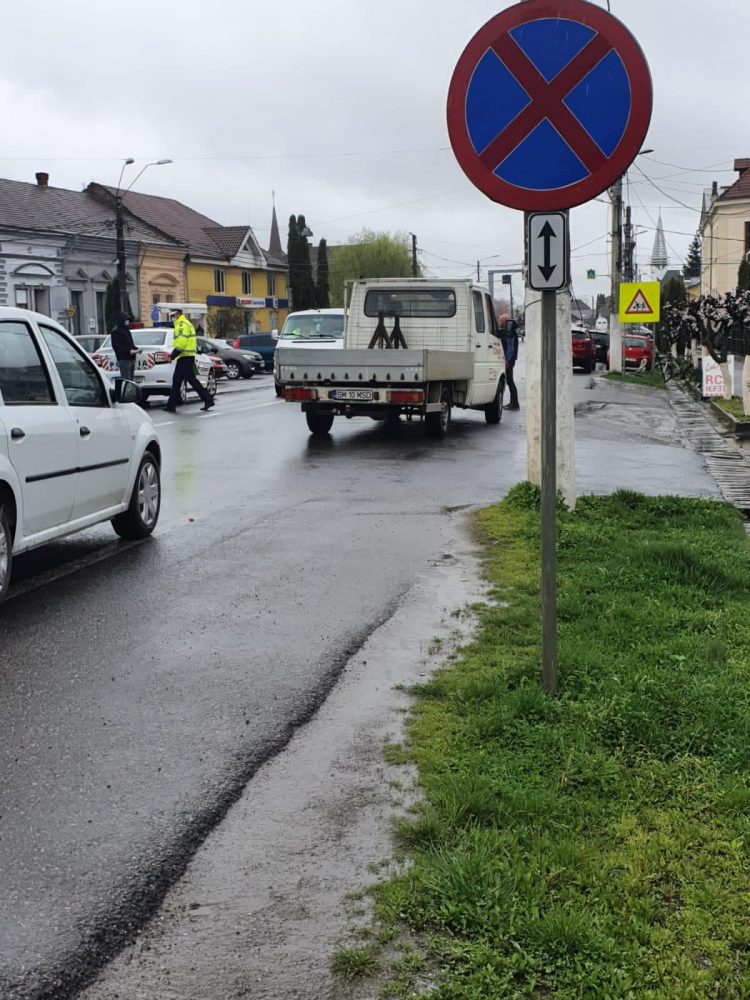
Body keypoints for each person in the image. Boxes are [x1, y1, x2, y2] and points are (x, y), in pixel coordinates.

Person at [164, 308, 215, 413]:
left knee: (177, 380)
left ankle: (171, 406)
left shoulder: (181, 325)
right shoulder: (187, 323)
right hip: (188, 356)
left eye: (173, 316)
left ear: (178, 314)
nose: (173, 318)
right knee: (191, 380)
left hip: (184, 356)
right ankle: (208, 399)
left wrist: (173, 355)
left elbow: (182, 342)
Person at [499, 314, 520, 411]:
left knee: (510, 381)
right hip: (510, 360)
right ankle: (513, 403)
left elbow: (510, 348)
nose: (499, 321)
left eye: (500, 320)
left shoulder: (509, 332)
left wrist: (507, 361)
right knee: (510, 381)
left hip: (509, 360)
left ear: (504, 321)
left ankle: (515, 403)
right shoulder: (509, 331)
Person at [111, 311, 138, 381]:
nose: (127, 322)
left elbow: (130, 343)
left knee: (130, 379)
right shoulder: (116, 331)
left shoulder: (126, 330)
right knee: (126, 379)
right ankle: (126, 391)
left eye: (128, 320)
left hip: (131, 358)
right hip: (123, 359)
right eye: (126, 320)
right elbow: (116, 346)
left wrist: (135, 349)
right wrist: (129, 351)